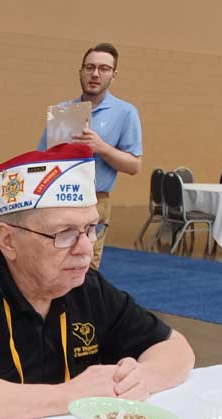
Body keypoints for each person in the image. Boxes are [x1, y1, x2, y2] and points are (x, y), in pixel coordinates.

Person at [0, 143, 194, 419]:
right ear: (8, 240)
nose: (86, 247)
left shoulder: (86, 288)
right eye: (65, 234)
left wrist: (141, 377)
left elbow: (176, 348)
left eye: (90, 228)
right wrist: (72, 394)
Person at [39, 43, 142, 270]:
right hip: (59, 199)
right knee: (53, 264)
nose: (95, 74)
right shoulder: (64, 111)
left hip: (95, 200)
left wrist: (102, 147)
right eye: (90, 67)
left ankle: (81, 306)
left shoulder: (125, 112)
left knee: (85, 266)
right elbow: (42, 158)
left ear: (113, 75)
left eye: (104, 69)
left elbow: (134, 165)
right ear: (81, 72)